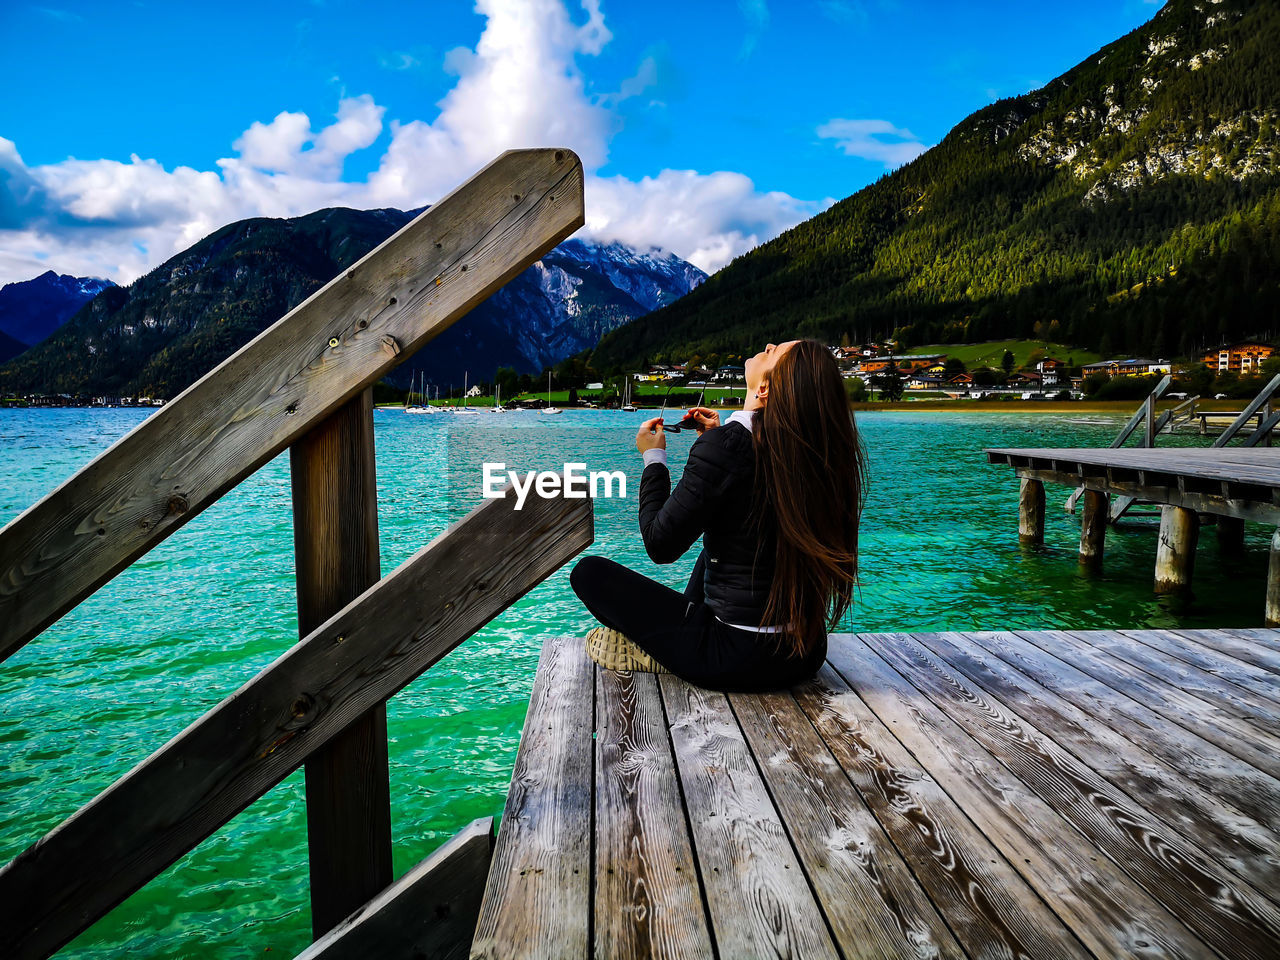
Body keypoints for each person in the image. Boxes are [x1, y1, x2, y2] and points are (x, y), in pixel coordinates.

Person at [569, 339, 864, 692]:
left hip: (733, 657)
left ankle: (663, 652)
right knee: (719, 537)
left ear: (765, 388)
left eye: (773, 352)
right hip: (804, 653)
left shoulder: (727, 447)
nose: (767, 345)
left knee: (588, 573)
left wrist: (654, 459)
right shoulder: (816, 451)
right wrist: (716, 439)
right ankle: (676, 638)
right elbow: (755, 508)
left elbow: (659, 544)